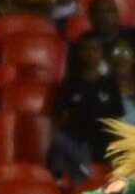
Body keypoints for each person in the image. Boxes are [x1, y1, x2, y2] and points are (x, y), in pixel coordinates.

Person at [47, 34, 125, 182]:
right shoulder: (70, 84)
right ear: (80, 54)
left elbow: (117, 119)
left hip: (102, 141)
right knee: (59, 141)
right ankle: (73, 175)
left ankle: (79, 173)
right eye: (86, 50)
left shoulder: (109, 85)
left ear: (102, 53)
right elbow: (58, 116)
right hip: (76, 138)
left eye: (95, 49)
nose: (91, 54)